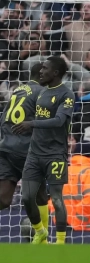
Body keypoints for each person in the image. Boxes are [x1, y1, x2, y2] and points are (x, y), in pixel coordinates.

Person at [12, 56, 75, 244]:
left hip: (55, 153)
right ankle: (40, 232)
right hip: (34, 153)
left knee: (56, 199)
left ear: (55, 73)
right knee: (27, 196)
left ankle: (61, 242)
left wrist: (32, 124)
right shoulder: (41, 92)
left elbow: (59, 121)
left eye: (45, 68)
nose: (40, 71)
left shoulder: (66, 94)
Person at [0, 63, 49, 239]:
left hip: (7, 148)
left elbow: (4, 118)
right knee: (41, 196)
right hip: (26, 151)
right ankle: (42, 240)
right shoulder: (42, 93)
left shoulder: (19, 91)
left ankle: (39, 235)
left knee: (3, 199)